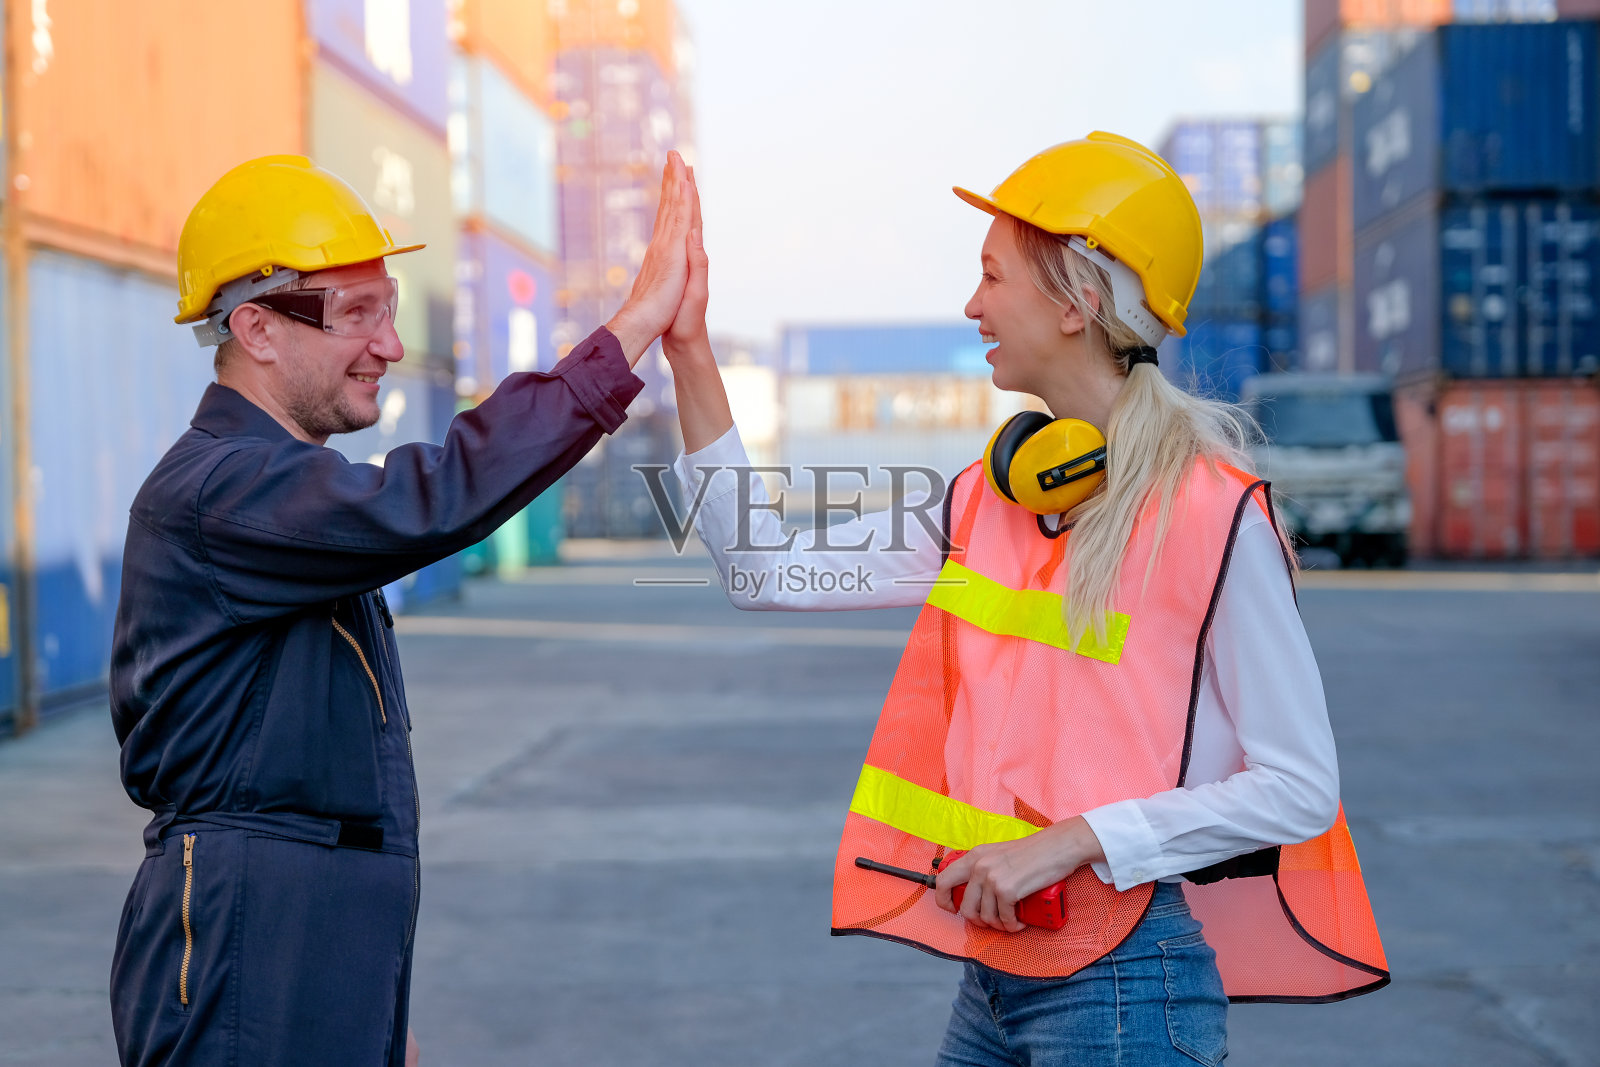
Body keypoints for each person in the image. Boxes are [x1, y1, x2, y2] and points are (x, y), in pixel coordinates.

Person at [661, 134, 1387, 1065]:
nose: (972, 304)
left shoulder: (1216, 515)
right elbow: (764, 571)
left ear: (1080, 299)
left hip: (1124, 991)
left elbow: (1299, 788)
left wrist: (1072, 841)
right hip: (994, 982)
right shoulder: (986, 497)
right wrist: (689, 350)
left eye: (993, 275)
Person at [107, 151, 696, 1066]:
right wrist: (625, 338)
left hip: (311, 937)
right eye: (357, 314)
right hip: (251, 939)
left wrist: (372, 1001)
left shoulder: (280, 493)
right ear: (257, 329)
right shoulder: (221, 491)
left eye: (391, 308)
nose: (389, 344)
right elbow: (433, 498)